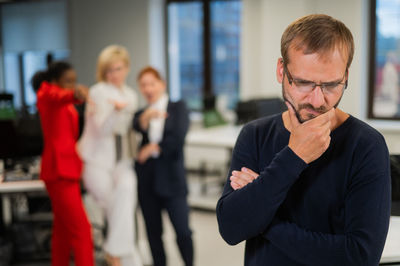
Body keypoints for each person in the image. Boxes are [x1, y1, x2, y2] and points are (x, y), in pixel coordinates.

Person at [216, 14, 391, 266]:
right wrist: (294, 156)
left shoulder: (366, 145)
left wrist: (264, 220)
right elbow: (232, 228)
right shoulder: (254, 135)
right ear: (281, 70)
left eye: (332, 85)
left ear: (346, 76)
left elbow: (359, 258)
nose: (318, 101)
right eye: (304, 83)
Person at [79, 45, 142, 266]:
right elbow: (103, 130)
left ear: (126, 68)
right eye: (109, 70)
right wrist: (115, 112)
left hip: (121, 158)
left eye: (118, 68)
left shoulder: (131, 95)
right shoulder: (98, 91)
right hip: (96, 159)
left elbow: (130, 131)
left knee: (128, 188)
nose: (114, 74)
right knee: (114, 206)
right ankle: (124, 257)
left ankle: (114, 251)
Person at [34, 61, 94, 266]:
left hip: (68, 170)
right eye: (67, 81)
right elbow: (60, 96)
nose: (71, 85)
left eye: (74, 81)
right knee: (82, 231)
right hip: (58, 171)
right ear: (54, 80)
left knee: (63, 231)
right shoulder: (46, 94)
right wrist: (76, 93)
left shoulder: (61, 101)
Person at [133, 66, 193, 266]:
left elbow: (177, 139)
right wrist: (145, 118)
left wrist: (152, 148)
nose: (148, 88)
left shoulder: (178, 107)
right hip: (147, 182)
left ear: (162, 84)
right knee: (153, 232)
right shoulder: (141, 113)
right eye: (143, 85)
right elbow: (135, 128)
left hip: (172, 180)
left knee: (183, 231)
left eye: (152, 83)